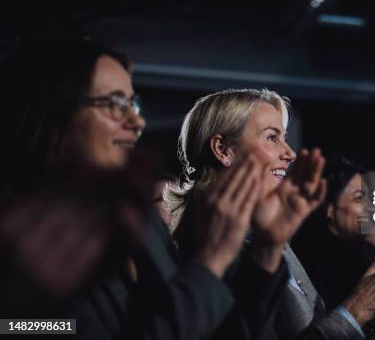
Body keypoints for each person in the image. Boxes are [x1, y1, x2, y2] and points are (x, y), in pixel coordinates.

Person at [0, 38, 273, 339]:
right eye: (114, 104)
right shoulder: (12, 241)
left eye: (133, 103)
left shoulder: (138, 219)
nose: (137, 121)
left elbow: (208, 322)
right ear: (52, 115)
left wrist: (267, 250)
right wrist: (212, 262)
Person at [171, 89, 375, 340]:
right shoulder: (209, 250)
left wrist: (373, 325)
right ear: (223, 149)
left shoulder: (264, 233)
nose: (290, 153)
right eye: (272, 137)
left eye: (284, 137)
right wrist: (357, 310)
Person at [293, 160, 375, 333]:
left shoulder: (361, 258)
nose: (370, 207)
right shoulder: (310, 264)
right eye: (359, 198)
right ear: (328, 208)